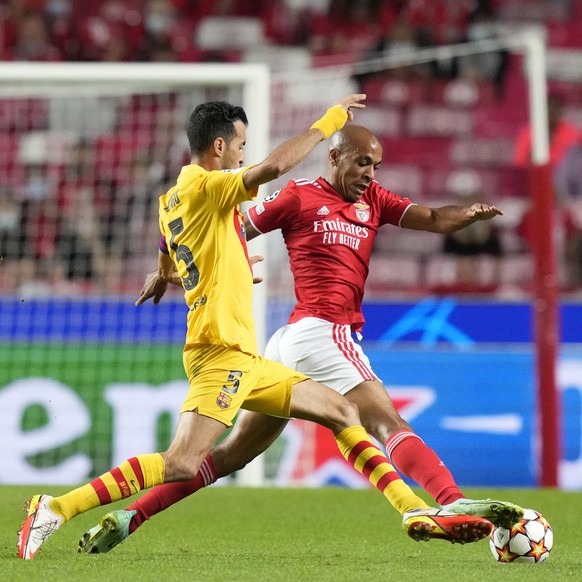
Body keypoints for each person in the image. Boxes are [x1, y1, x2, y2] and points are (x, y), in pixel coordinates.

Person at [17, 94, 497, 561]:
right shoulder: (208, 186)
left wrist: (176, 270)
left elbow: (173, 241)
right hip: (220, 352)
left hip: (249, 356)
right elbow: (271, 169)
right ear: (220, 147)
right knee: (183, 460)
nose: (244, 152)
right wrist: (326, 122)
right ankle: (55, 508)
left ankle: (415, 512)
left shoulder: (172, 201)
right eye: (240, 144)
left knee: (341, 414)